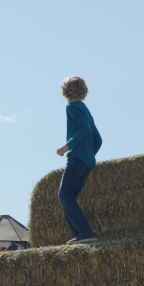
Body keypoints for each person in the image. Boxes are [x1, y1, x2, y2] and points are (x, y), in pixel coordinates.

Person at [56, 76, 102, 244]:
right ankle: (79, 236)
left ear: (65, 91)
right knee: (69, 197)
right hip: (87, 162)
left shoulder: (72, 106)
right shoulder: (85, 109)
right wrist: (89, 154)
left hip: (76, 158)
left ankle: (84, 232)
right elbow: (98, 139)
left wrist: (67, 147)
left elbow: (83, 129)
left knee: (64, 196)